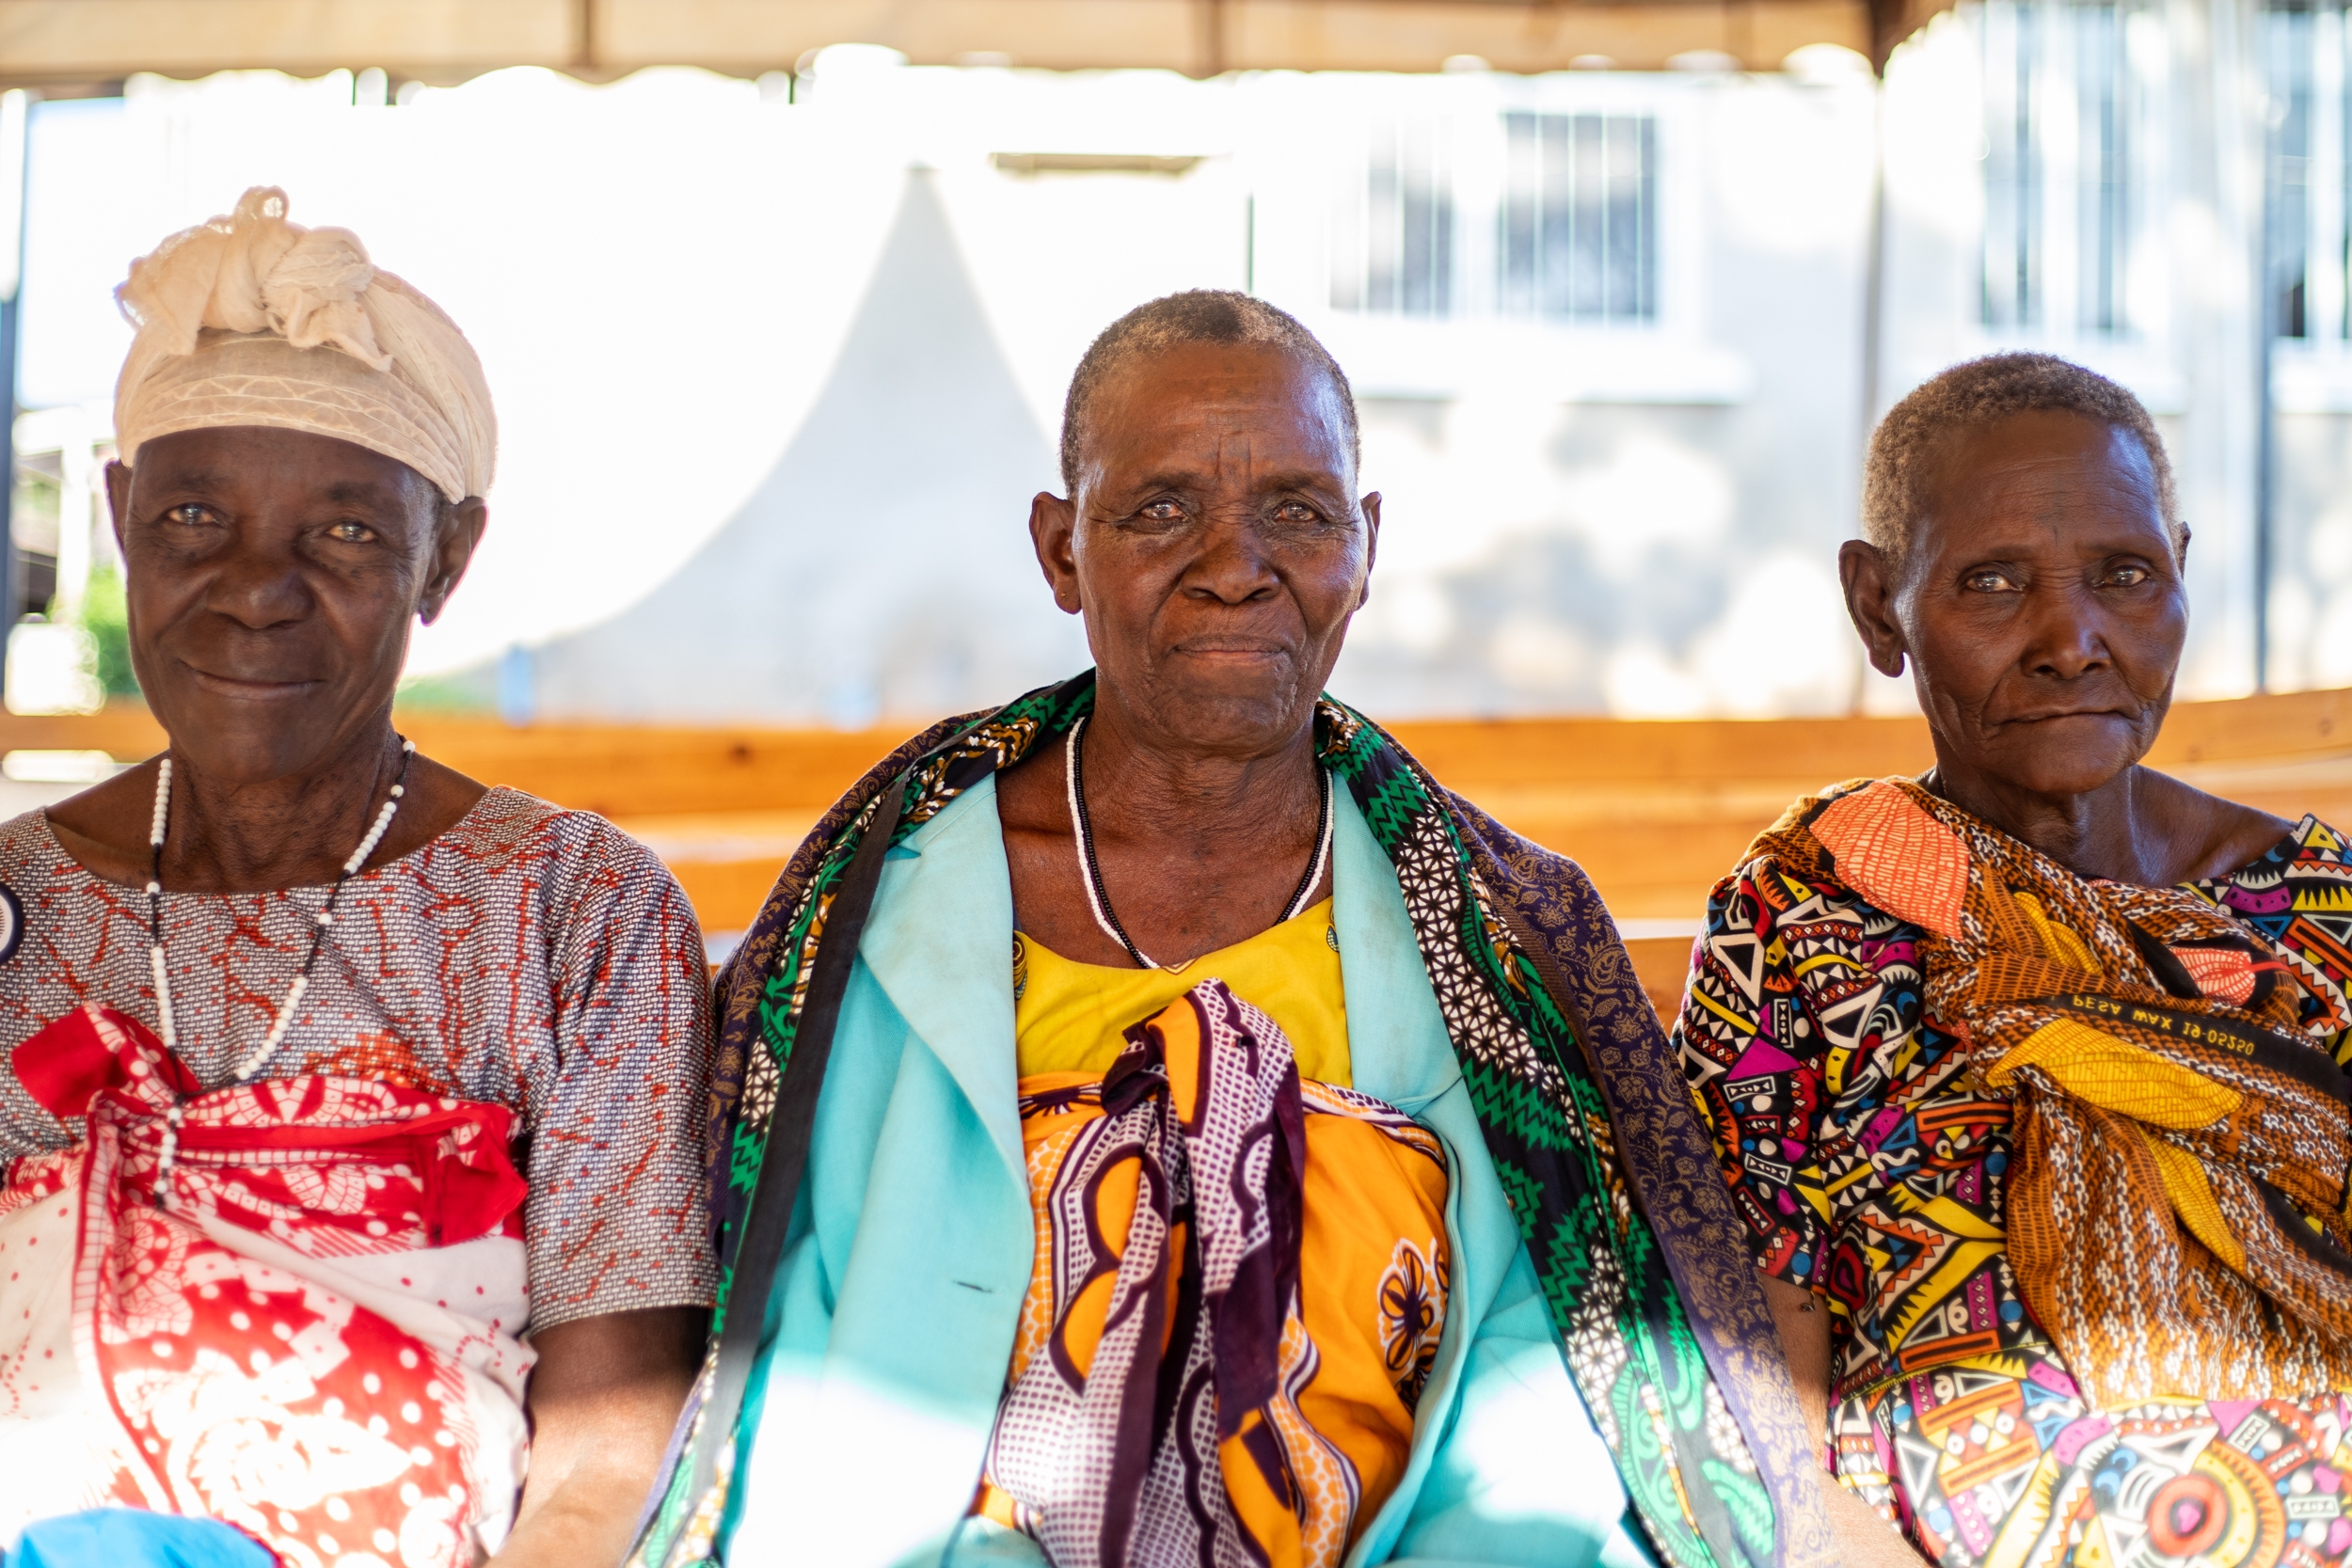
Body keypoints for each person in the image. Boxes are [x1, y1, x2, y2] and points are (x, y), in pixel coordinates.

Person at [629, 291, 1835, 1568]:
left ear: (1364, 547)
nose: (1234, 564)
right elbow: (791, 1369)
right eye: (1160, 511)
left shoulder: (1501, 934)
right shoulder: (882, 909)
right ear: (1059, 550)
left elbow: (1545, 1385)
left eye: (1298, 514)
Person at [0, 189, 715, 1567]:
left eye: (342, 533)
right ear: (121, 516)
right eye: (196, 514)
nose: (254, 586)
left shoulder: (569, 908)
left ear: (448, 556)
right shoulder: (18, 910)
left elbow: (611, 1441)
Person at [1673, 352, 2352, 1568]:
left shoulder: (2317, 913)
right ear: (1880, 607)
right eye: (1992, 583)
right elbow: (1758, 1356)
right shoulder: (1806, 910)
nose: (2071, 640)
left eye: (2124, 577)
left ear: (2179, 577)